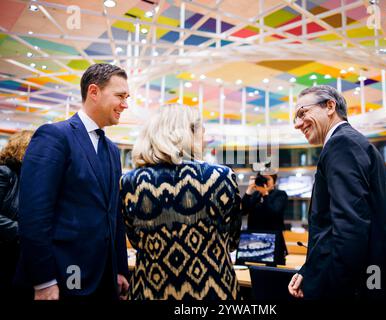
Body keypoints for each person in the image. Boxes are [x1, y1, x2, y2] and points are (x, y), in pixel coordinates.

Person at [287, 85, 386, 300]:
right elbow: (333, 230)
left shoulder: (341, 144)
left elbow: (350, 227)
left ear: (330, 106)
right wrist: (309, 269)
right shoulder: (350, 142)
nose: (297, 124)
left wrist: (333, 291)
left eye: (302, 113)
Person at [16, 64, 129, 300]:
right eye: (120, 96)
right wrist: (44, 280)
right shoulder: (55, 136)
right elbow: (34, 214)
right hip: (62, 275)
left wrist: (118, 268)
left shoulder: (112, 150)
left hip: (104, 279)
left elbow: (114, 214)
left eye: (126, 97)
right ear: (94, 92)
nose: (125, 104)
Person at [120, 104, 242, 300]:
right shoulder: (222, 177)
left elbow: (134, 240)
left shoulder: (129, 182)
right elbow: (233, 240)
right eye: (201, 131)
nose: (205, 138)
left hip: (151, 289)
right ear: (186, 133)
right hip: (213, 290)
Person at [0, 130, 33, 298]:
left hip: (22, 254)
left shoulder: (31, 177)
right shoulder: (5, 172)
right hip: (6, 253)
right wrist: (22, 230)